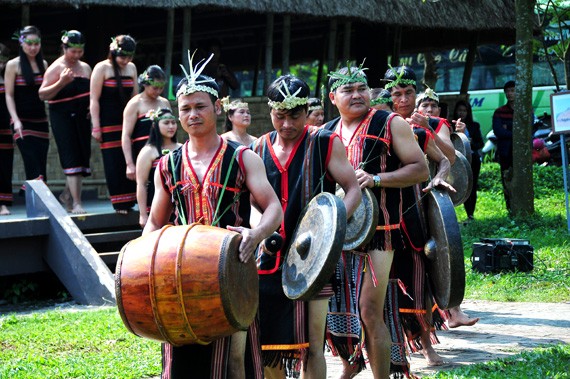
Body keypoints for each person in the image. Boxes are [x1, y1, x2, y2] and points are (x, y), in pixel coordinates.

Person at [144, 52, 282, 379]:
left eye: (200, 106)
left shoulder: (243, 157)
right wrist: (146, 261)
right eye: (186, 109)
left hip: (232, 270)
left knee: (235, 364)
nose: (192, 114)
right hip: (179, 274)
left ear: (217, 108)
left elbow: (273, 208)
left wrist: (256, 234)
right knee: (181, 359)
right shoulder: (167, 164)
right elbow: (154, 221)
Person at [251, 74, 361, 379]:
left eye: (295, 116)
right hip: (269, 259)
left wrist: (333, 228)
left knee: (313, 345)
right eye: (280, 116)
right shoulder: (258, 148)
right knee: (269, 345)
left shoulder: (324, 141)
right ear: (270, 112)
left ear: (306, 110)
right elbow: (251, 202)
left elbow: (352, 188)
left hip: (316, 260)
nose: (287, 124)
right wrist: (257, 230)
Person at [324, 63, 429, 378]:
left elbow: (420, 169)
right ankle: (350, 364)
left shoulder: (389, 122)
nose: (357, 95)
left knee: (370, 311)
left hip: (380, 233)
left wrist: (378, 178)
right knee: (334, 309)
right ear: (333, 96)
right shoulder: (327, 132)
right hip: (338, 234)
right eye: (347, 90)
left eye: (361, 88)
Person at [39, 30, 92, 214]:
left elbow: (91, 94)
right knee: (71, 156)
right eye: (73, 51)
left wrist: (91, 109)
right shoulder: (56, 67)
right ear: (64, 48)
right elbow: (42, 94)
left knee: (83, 157)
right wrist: (61, 82)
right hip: (62, 118)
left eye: (80, 51)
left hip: (82, 118)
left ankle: (67, 195)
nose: (76, 55)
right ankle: (77, 203)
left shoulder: (85, 68)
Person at [90, 35, 138, 214]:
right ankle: (119, 203)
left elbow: (135, 96)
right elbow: (94, 99)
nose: (126, 61)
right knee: (113, 161)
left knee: (130, 159)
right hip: (108, 122)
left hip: (128, 121)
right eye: (123, 56)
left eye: (129, 57)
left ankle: (131, 200)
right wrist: (96, 126)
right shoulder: (102, 68)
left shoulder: (131, 68)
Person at [4, 26, 49, 195]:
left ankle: (31, 196)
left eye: (36, 43)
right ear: (22, 44)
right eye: (29, 43)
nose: (33, 47)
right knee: (32, 162)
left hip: (40, 120)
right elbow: (8, 95)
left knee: (41, 165)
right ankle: (34, 197)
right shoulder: (13, 65)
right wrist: (15, 119)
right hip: (21, 121)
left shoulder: (43, 64)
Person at [122, 65, 170, 185]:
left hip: (164, 151)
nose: (158, 91)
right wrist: (129, 164)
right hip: (142, 152)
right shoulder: (135, 104)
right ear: (145, 84)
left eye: (161, 88)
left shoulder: (164, 103)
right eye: (155, 88)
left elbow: (171, 128)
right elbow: (126, 136)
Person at [135, 108, 180, 228]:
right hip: (156, 205)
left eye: (173, 122)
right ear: (155, 125)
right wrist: (143, 214)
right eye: (166, 123)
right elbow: (142, 184)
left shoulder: (181, 148)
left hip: (179, 206)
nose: (171, 126)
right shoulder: (148, 151)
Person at [453, 99, 484, 222]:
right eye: (460, 110)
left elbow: (480, 143)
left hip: (472, 159)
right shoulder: (450, 125)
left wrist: (469, 141)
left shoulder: (474, 126)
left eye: (464, 110)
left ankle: (470, 214)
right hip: (455, 160)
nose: (462, 113)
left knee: (472, 186)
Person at [492, 80, 516, 213]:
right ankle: (510, 208)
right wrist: (515, 132)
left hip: (520, 153)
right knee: (507, 179)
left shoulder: (525, 110)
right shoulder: (499, 112)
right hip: (505, 152)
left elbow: (529, 130)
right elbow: (498, 131)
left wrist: (508, 129)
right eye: (507, 91)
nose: (510, 94)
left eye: (512, 90)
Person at [0, 43, 13, 215]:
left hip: (5, 127)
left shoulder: (8, 77)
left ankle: (3, 203)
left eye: (2, 62)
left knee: (4, 166)